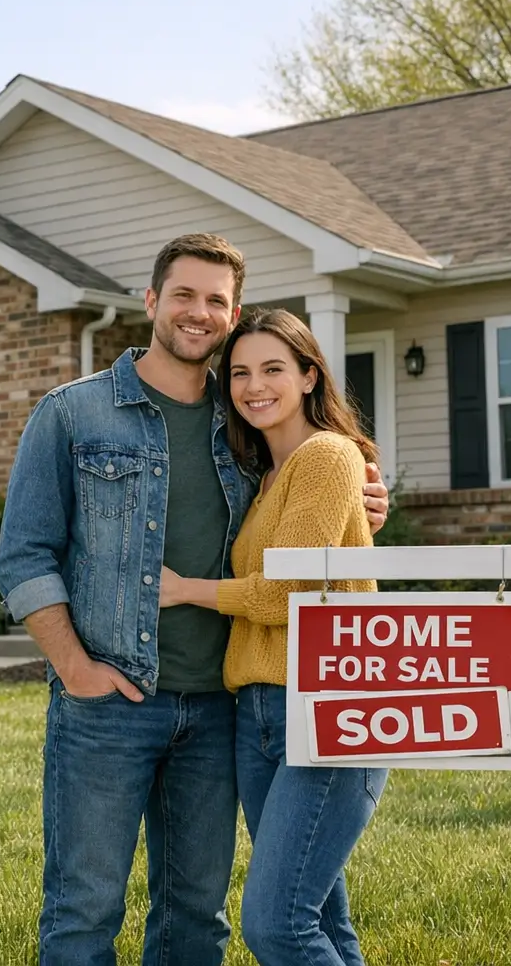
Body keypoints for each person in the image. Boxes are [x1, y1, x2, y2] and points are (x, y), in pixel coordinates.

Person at [0, 233, 388, 966]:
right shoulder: (74, 413)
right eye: (185, 295)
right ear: (151, 301)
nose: (199, 313)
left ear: (232, 312)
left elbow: (304, 506)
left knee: (194, 919)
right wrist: (76, 670)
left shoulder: (244, 419)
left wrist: (362, 503)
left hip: (219, 708)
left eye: (216, 301)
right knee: (83, 912)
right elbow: (22, 555)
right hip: (108, 703)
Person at [160, 307, 385, 966]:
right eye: (239, 373)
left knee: (278, 925)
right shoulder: (268, 477)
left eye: (273, 369)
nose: (254, 385)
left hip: (328, 706)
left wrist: (184, 589)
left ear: (311, 375)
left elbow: (293, 591)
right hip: (261, 717)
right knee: (322, 920)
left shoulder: (327, 455)